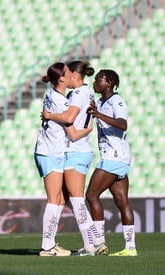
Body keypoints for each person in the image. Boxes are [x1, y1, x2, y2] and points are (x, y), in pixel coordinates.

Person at [41, 60, 107, 256]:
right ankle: (95, 240)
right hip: (78, 149)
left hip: (76, 149)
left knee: (77, 200)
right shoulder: (82, 93)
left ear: (75, 76)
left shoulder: (78, 93)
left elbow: (69, 118)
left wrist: (49, 115)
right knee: (68, 199)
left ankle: (91, 245)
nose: (68, 77)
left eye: (70, 73)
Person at [34, 62, 92, 256]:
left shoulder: (55, 95)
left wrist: (50, 116)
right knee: (53, 199)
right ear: (62, 78)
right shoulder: (59, 99)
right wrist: (88, 129)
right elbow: (68, 119)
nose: (72, 75)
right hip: (49, 151)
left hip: (53, 151)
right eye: (68, 72)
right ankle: (47, 246)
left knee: (58, 199)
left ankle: (50, 242)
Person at [86, 69, 137, 256]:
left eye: (98, 80)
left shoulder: (117, 101)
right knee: (122, 201)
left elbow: (123, 124)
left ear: (108, 83)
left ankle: (99, 243)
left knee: (91, 195)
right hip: (119, 158)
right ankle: (130, 248)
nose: (94, 83)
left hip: (114, 157)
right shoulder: (100, 102)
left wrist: (99, 115)